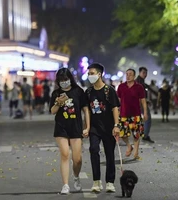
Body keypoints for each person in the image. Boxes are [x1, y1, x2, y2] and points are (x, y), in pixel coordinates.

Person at [50, 68, 90, 195]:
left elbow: (85, 110)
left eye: (66, 79)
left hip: (76, 127)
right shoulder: (56, 93)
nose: (64, 82)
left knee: (77, 159)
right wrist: (58, 103)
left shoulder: (78, 91)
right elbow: (52, 111)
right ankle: (65, 185)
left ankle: (76, 176)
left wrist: (87, 127)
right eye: (61, 80)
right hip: (61, 127)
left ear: (70, 79)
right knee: (65, 155)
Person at [85, 63, 120, 193]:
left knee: (110, 154)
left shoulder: (109, 90)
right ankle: (96, 181)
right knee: (94, 150)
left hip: (109, 127)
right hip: (94, 128)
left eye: (92, 73)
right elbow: (87, 110)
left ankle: (110, 182)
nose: (90, 76)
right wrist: (87, 127)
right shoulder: (88, 92)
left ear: (99, 74)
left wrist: (116, 125)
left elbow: (115, 108)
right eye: (88, 74)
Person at [117, 69, 147, 160]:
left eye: (130, 74)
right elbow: (118, 100)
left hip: (135, 115)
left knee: (136, 134)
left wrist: (145, 112)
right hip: (123, 114)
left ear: (134, 76)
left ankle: (136, 152)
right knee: (122, 134)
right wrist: (116, 110)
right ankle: (129, 146)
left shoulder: (139, 87)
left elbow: (143, 100)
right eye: (127, 74)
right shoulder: (121, 86)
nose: (128, 76)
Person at [136, 67, 154, 143]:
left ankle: (143, 135)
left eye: (146, 73)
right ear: (139, 73)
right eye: (143, 73)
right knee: (147, 119)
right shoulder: (139, 81)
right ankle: (145, 135)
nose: (145, 74)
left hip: (141, 102)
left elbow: (148, 89)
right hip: (140, 103)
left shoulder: (141, 81)